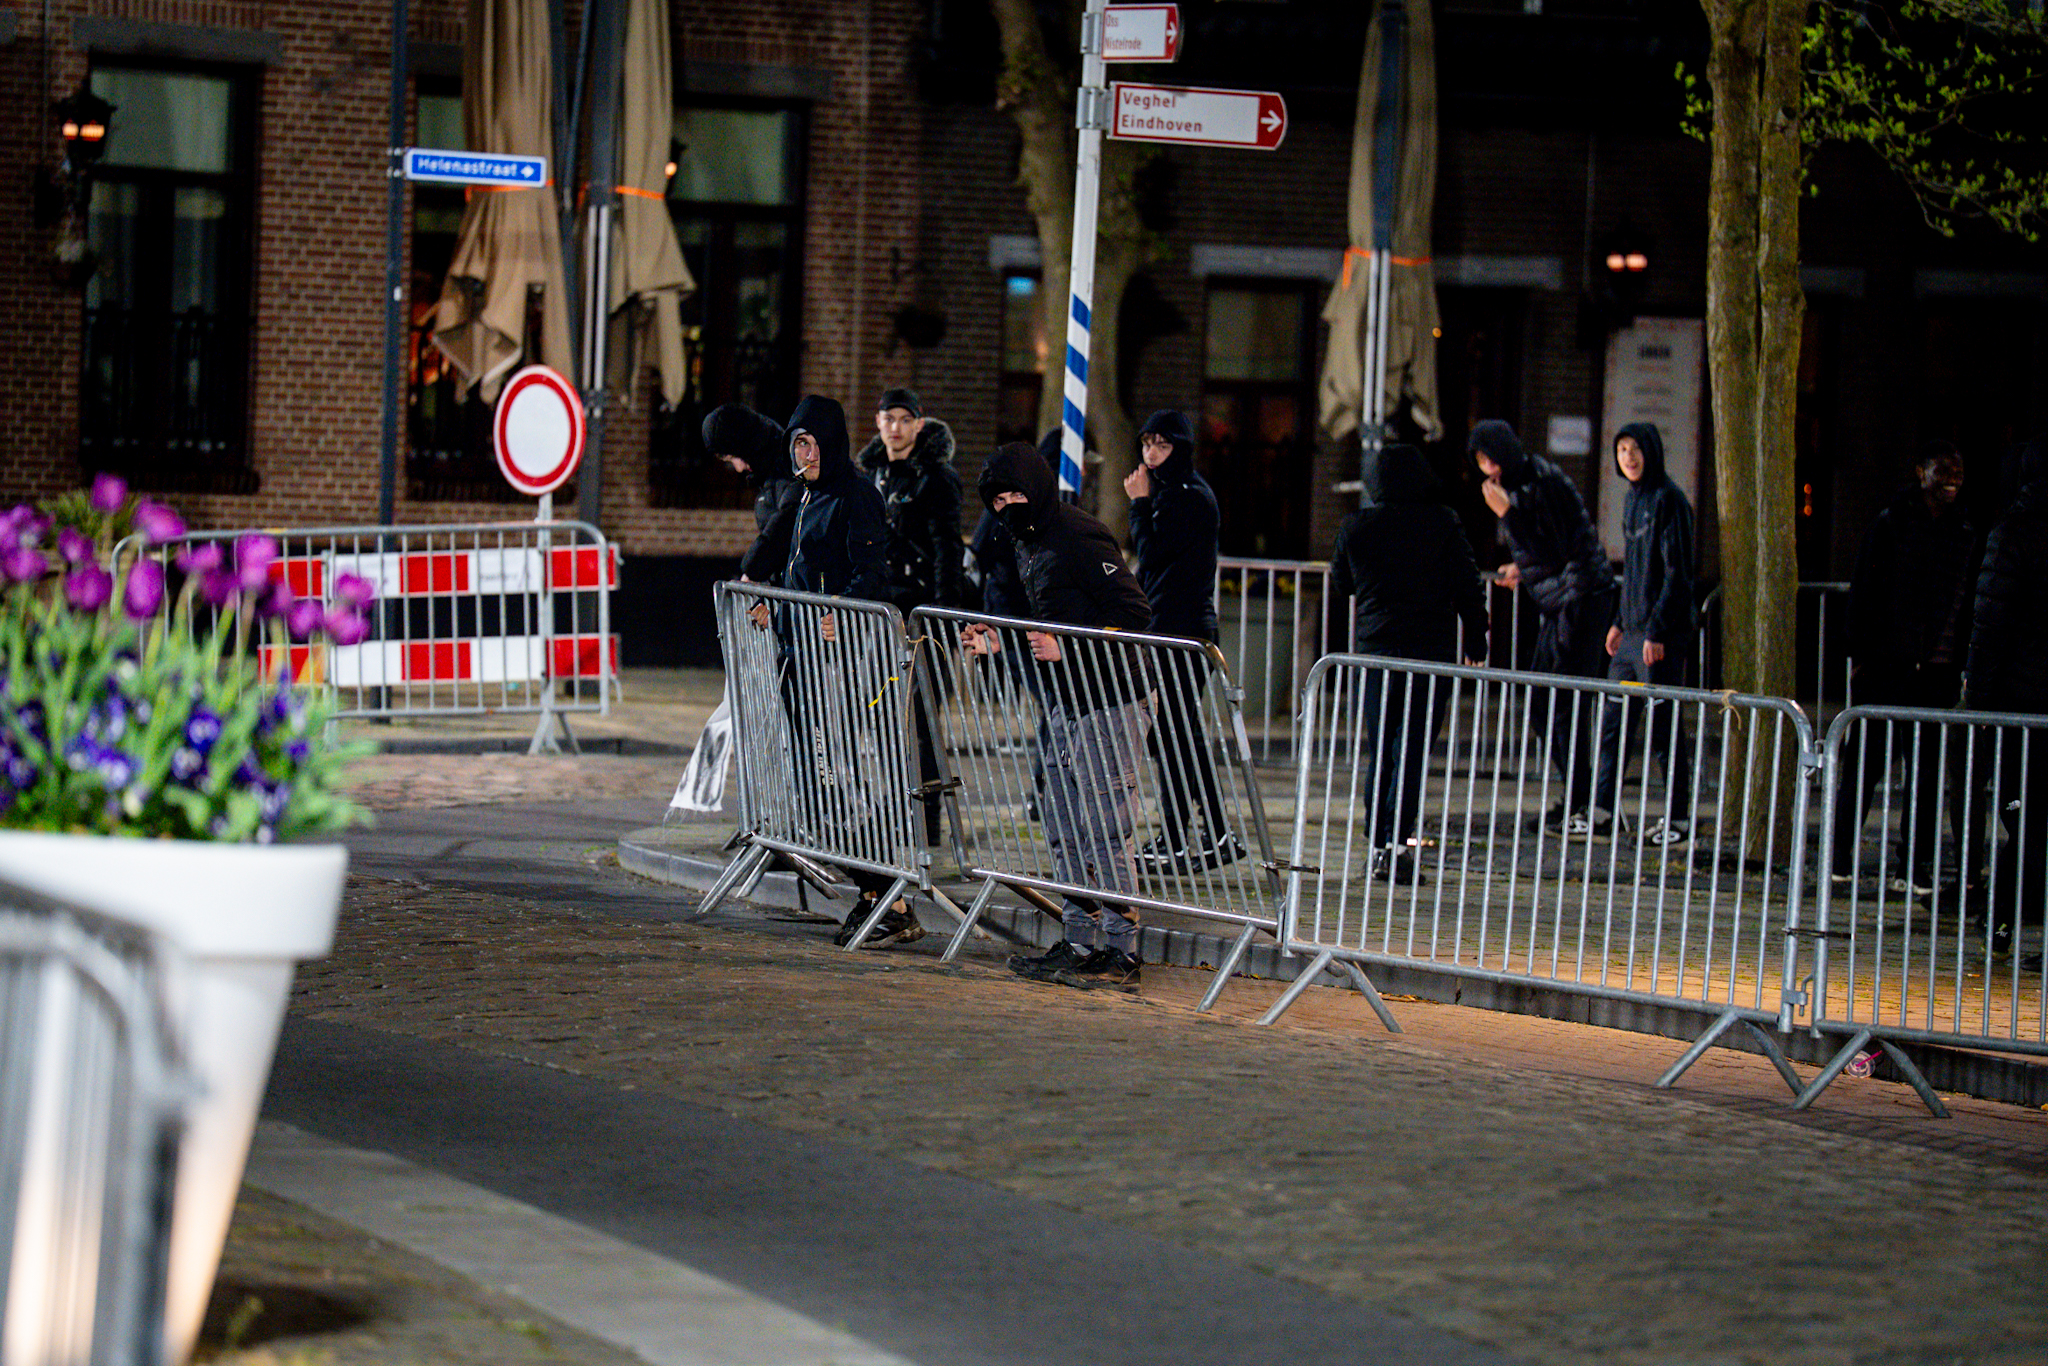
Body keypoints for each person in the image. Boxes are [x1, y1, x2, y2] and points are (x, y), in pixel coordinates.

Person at [963, 440, 1154, 990]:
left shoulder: (1079, 533)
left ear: (1039, 489)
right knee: (1065, 824)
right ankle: (1077, 939)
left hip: (1111, 698)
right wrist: (1000, 637)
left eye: (1018, 493)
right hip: (1065, 700)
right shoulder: (1024, 539)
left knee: (1105, 826)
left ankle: (1122, 949)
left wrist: (1074, 649)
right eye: (998, 499)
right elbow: (1040, 613)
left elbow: (1133, 614)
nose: (1009, 505)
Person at [747, 394, 924, 949]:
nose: (805, 453)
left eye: (812, 443)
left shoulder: (856, 496)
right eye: (797, 444)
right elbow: (771, 547)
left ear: (832, 442)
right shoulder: (800, 494)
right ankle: (879, 892)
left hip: (836, 664)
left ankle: (886, 896)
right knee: (813, 789)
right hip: (796, 656)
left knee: (833, 784)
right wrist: (754, 585)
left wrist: (841, 613)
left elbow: (872, 574)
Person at [1329, 442, 1489, 882]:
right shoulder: (1441, 523)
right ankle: (1399, 846)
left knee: (1380, 749)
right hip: (1428, 654)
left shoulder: (1356, 526)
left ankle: (1377, 844)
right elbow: (1467, 584)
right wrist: (1476, 637)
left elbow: (1342, 583)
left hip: (1377, 651)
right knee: (1412, 749)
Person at [1831, 441, 1977, 893]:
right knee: (1864, 767)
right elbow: (1866, 590)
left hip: (1934, 673)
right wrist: (1861, 654)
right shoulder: (1891, 524)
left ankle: (1912, 867)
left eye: (1958, 468)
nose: (1951, 476)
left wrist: (1958, 665)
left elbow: (1966, 602)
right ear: (1920, 471)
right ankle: (1839, 859)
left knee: (1927, 774)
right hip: (1887, 668)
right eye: (1941, 468)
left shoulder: (1965, 531)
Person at [1468, 419, 1618, 828]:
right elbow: (1546, 550)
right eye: (1482, 463)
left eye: (1491, 460)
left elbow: (1554, 547)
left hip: (1582, 599)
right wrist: (1523, 568)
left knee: (1564, 702)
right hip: (1562, 599)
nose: (1489, 471)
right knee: (1544, 700)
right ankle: (1578, 796)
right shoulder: (1523, 483)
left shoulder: (1541, 482)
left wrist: (1508, 515)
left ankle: (1586, 803)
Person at [1123, 409, 1240, 872]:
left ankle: (1200, 833)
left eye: (1162, 445)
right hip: (1169, 627)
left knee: (1176, 735)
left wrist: (1138, 503)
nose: (1151, 454)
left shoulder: (1183, 496)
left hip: (1181, 629)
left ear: (1181, 449)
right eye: (1147, 444)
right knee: (1174, 735)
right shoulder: (1175, 492)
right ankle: (1196, 832)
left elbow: (1152, 553)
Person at [858, 388, 963, 844]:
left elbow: (947, 549)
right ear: (878, 423)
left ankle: (929, 825)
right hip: (881, 614)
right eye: (888, 418)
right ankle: (889, 814)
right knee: (881, 720)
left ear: (919, 425)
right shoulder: (870, 474)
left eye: (905, 419)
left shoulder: (935, 477)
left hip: (920, 613)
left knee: (922, 725)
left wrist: (942, 614)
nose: (896, 427)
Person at [1586, 422, 1697, 845]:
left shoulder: (1670, 501)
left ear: (1652, 451)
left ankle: (1678, 819)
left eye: (1635, 449)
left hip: (1658, 638)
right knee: (1614, 720)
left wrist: (1655, 630)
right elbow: (1633, 572)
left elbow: (1677, 575)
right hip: (1631, 636)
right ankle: (1603, 810)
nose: (1628, 457)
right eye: (1622, 450)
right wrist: (1619, 620)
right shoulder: (1632, 501)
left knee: (1664, 727)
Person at [1964, 437, 2046, 961]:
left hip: (2022, 704)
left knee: (2024, 818)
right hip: (2028, 698)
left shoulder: (2013, 532)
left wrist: (1980, 699)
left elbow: (1990, 622)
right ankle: (2002, 918)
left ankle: (2000, 922)